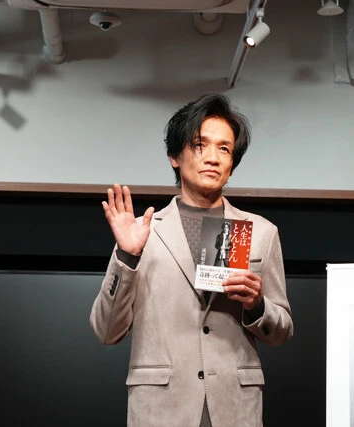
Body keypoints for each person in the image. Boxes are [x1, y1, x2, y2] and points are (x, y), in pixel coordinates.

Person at [90, 93, 294, 427]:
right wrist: (127, 255)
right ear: (175, 156)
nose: (213, 157)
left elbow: (281, 330)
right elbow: (106, 331)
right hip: (160, 410)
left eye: (224, 149)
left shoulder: (261, 232)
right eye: (200, 145)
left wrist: (256, 305)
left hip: (234, 407)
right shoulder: (143, 233)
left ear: (232, 164)